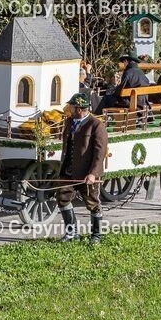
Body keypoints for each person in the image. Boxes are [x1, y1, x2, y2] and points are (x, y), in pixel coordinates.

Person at [57, 93, 109, 244]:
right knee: (63, 198)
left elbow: (100, 153)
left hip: (87, 174)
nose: (69, 109)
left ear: (79, 109)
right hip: (69, 171)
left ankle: (96, 236)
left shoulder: (96, 126)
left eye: (72, 107)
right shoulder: (69, 122)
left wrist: (93, 174)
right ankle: (72, 233)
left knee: (93, 204)